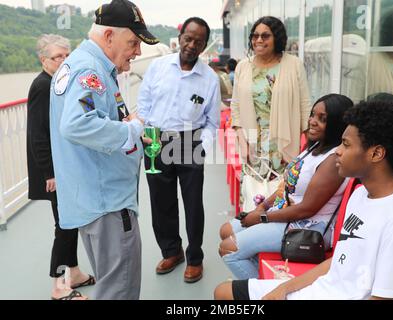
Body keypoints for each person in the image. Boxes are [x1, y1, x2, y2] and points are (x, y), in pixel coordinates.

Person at [215, 100, 393, 300]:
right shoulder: (360, 195)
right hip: (323, 288)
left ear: (376, 154)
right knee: (223, 292)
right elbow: (338, 262)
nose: (337, 151)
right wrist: (284, 287)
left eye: (346, 145)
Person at [49, 0, 158, 300]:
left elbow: (90, 119)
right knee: (118, 292)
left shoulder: (79, 64)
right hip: (108, 204)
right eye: (133, 42)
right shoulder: (90, 69)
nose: (137, 51)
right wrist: (130, 131)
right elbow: (77, 124)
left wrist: (126, 132)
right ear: (109, 36)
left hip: (93, 200)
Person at [218, 94, 353, 280]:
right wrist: (263, 206)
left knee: (228, 249)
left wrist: (262, 218)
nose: (313, 121)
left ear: (337, 124)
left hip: (306, 228)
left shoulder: (332, 160)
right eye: (313, 115)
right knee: (226, 230)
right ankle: (261, 273)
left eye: (322, 119)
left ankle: (264, 289)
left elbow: (306, 209)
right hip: (285, 214)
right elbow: (289, 185)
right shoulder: (314, 147)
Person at [137, 17, 220, 283]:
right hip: (156, 140)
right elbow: (144, 103)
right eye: (188, 38)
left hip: (190, 141)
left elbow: (212, 121)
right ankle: (171, 251)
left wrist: (201, 147)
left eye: (198, 41)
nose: (191, 45)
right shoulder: (158, 67)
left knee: (193, 204)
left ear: (204, 45)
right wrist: (147, 134)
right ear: (180, 36)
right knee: (161, 202)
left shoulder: (209, 79)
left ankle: (195, 257)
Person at [27, 34, 94, 300]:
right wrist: (49, 173)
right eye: (58, 57)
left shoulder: (61, 83)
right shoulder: (43, 86)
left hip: (67, 166)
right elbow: (38, 135)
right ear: (44, 60)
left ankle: (74, 273)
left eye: (68, 56)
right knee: (64, 225)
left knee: (72, 220)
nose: (64, 61)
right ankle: (58, 286)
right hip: (55, 171)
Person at [231, 16, 311, 190]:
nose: (258, 40)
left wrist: (309, 145)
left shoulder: (294, 65)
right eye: (255, 35)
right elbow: (235, 107)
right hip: (252, 143)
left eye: (265, 36)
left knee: (282, 198)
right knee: (253, 197)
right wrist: (241, 139)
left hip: (284, 143)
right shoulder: (242, 67)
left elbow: (305, 105)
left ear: (277, 38)